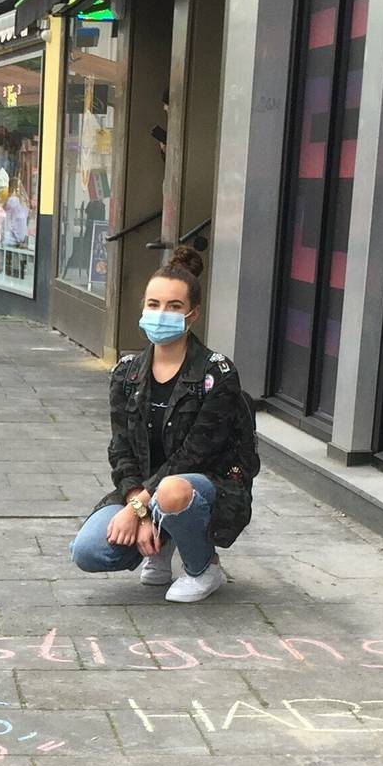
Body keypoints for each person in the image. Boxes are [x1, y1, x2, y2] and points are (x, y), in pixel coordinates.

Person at [69, 246, 258, 603]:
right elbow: (121, 449)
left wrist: (138, 508)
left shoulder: (216, 374)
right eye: (153, 304)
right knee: (88, 551)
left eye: (173, 306)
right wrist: (135, 507)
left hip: (203, 487)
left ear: (192, 315)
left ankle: (203, 567)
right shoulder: (126, 372)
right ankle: (161, 543)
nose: (161, 313)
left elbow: (194, 458)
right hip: (143, 492)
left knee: (173, 490)